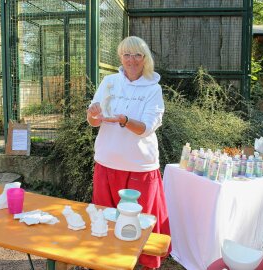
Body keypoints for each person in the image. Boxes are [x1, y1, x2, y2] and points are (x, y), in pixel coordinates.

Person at [86, 36, 170, 269]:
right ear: (120, 57)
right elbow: (94, 120)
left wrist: (123, 121)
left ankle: (145, 263)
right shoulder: (109, 81)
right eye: (126, 54)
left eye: (137, 55)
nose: (131, 60)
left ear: (145, 59)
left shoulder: (153, 89)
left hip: (139, 166)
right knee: (106, 217)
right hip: (107, 161)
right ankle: (108, 260)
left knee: (141, 222)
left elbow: (145, 128)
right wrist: (93, 113)